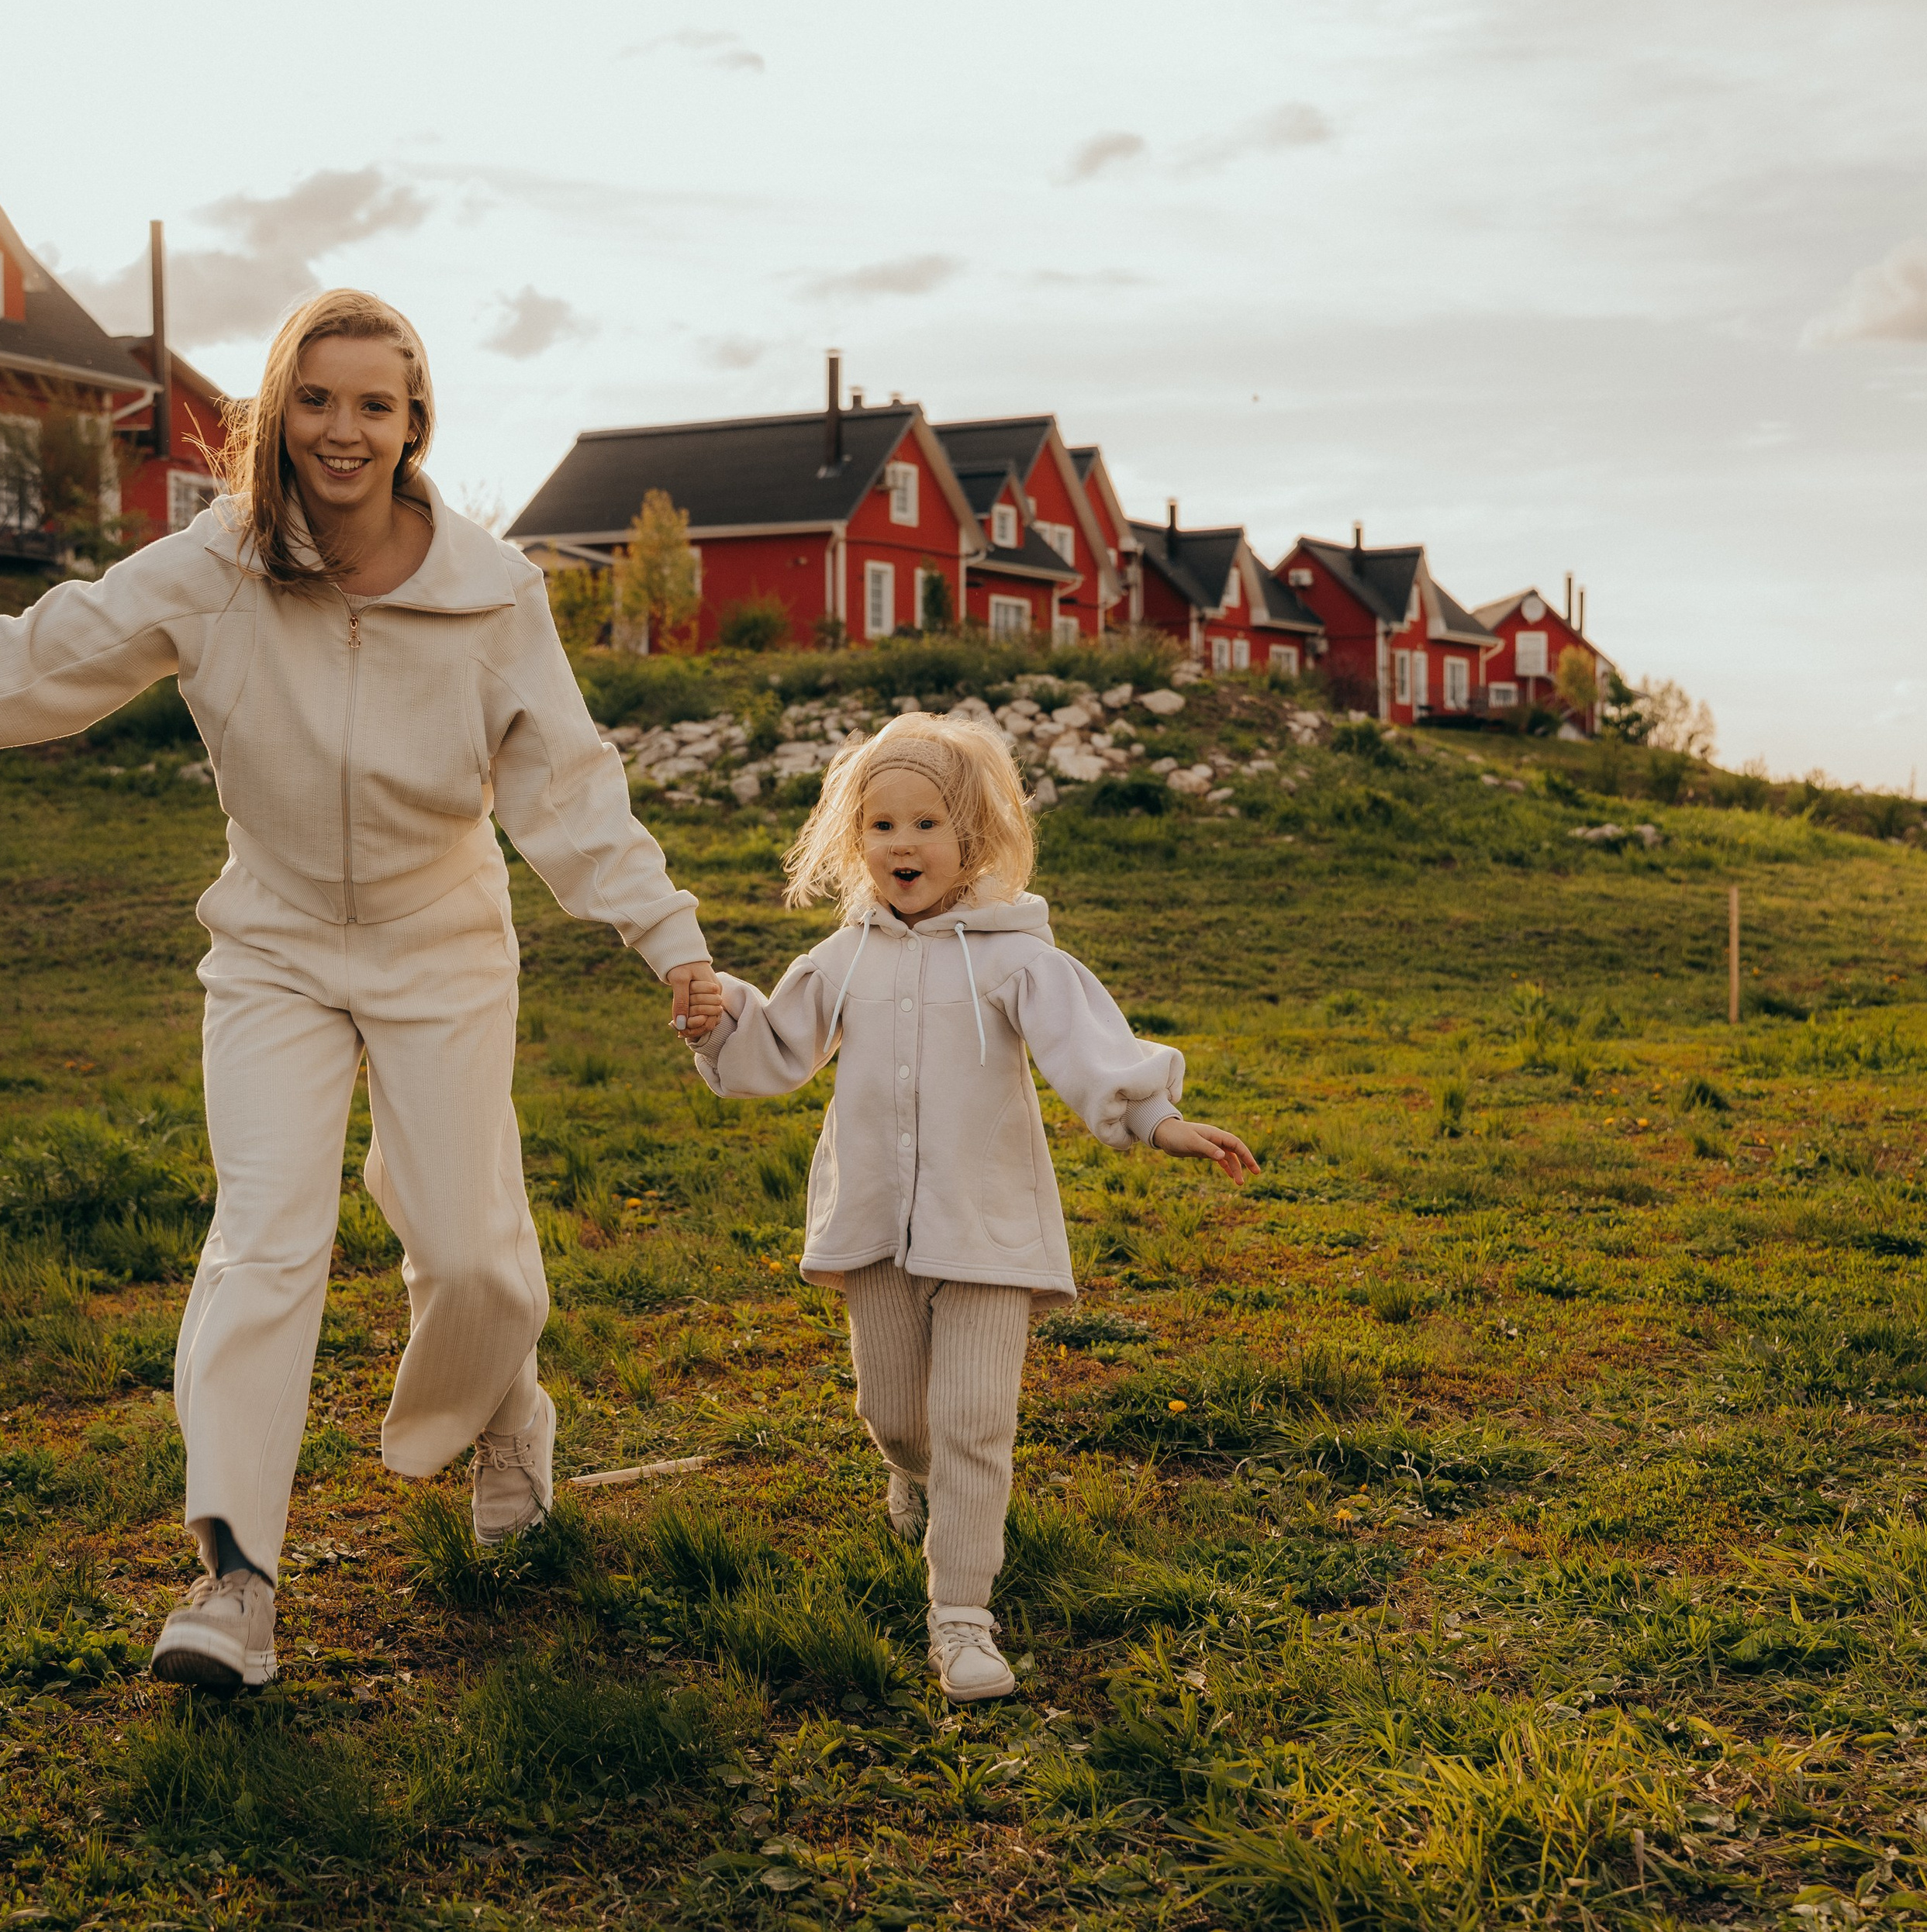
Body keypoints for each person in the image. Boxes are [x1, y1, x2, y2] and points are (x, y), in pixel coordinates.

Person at [0, 290, 719, 1689]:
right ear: (279, 414)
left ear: (414, 422)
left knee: (466, 1251)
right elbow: (43, 661)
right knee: (263, 1243)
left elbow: (568, 790)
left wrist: (672, 940)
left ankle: (507, 1407)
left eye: (374, 404)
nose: (344, 429)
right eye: (316, 400)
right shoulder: (212, 570)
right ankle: (234, 1580)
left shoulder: (489, 593)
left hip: (439, 941)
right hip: (270, 946)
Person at [677, 709, 1257, 1703]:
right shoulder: (840, 959)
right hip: (874, 1227)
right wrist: (720, 1010)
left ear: (972, 839)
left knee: (975, 1422)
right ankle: (914, 1478)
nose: (903, 844)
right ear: (856, 843)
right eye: (882, 826)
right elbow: (772, 1051)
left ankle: (961, 1617)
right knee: (897, 1415)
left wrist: (1158, 1120)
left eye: (927, 824)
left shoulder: (1014, 955)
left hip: (987, 1229)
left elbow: (1087, 1047)